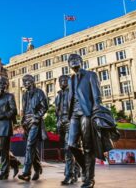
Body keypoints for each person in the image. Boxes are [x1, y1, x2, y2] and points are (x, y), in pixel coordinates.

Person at [67, 53, 101, 188]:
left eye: (76, 59)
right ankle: (85, 169)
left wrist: (96, 113)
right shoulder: (71, 79)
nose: (73, 61)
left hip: (87, 113)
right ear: (68, 65)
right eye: (71, 60)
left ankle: (89, 178)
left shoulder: (90, 75)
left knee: (88, 147)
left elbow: (97, 96)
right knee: (71, 145)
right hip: (74, 114)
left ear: (81, 61)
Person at [18, 74, 48, 181]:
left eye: (26, 81)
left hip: (35, 122)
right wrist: (22, 121)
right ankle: (38, 167)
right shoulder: (24, 95)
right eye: (23, 81)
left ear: (31, 81)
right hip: (26, 123)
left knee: (29, 145)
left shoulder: (39, 92)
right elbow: (25, 109)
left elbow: (45, 107)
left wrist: (36, 117)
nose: (24, 83)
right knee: (32, 147)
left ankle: (26, 173)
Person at [0, 77, 21, 180]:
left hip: (4, 125)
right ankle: (14, 162)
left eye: (4, 83)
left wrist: (4, 115)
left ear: (7, 85)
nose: (2, 84)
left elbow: (14, 110)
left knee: (4, 149)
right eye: (0, 83)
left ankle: (4, 172)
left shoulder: (9, 96)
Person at [55, 75, 80, 185]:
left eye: (65, 80)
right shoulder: (59, 95)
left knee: (68, 148)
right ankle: (76, 170)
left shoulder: (74, 93)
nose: (62, 82)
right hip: (61, 122)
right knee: (70, 149)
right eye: (60, 80)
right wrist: (58, 120)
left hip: (71, 121)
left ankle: (68, 175)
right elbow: (57, 110)